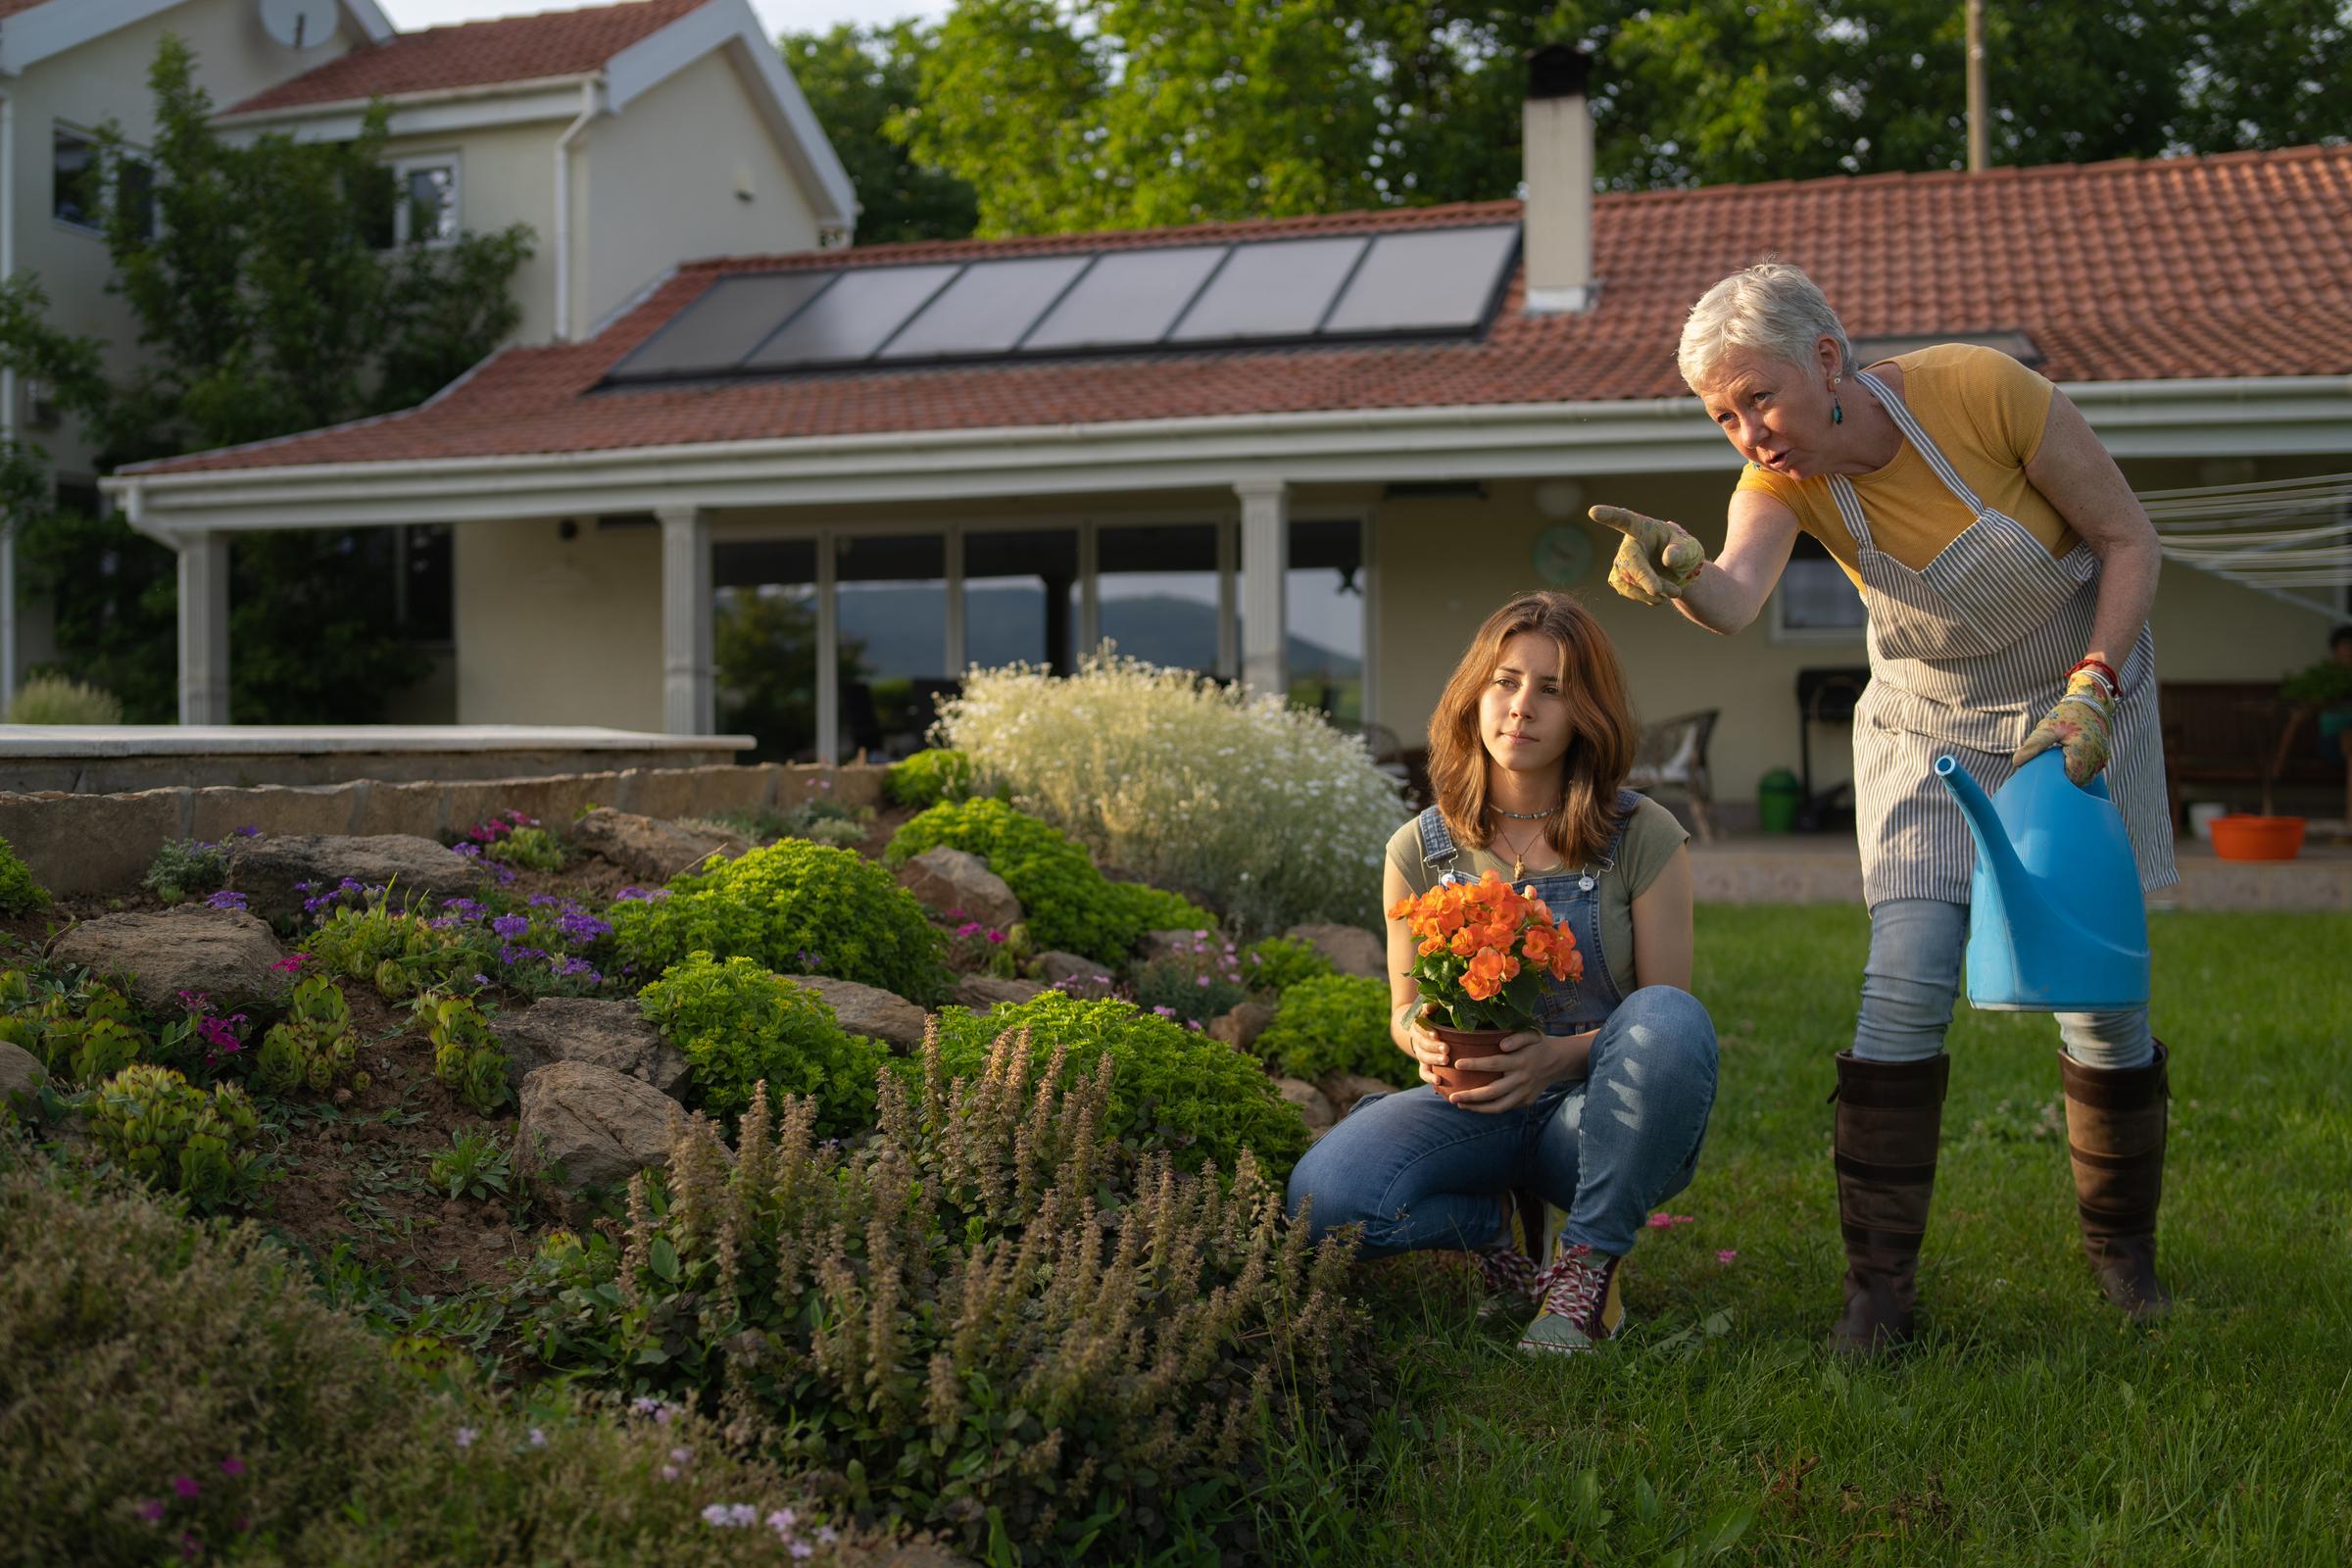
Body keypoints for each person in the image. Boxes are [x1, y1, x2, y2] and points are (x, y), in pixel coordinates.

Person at [1591, 261, 2178, 1352]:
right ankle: (1877, 1294)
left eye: (1757, 396)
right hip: (1927, 730)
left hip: (2075, 709)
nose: (1748, 432)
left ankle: (2122, 1254)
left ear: (1825, 359)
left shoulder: (1981, 391)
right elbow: (1735, 590)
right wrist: (1679, 573)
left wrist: (2094, 682)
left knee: (2095, 993)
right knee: (1904, 977)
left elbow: (2128, 540)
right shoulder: (1780, 485)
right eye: (1722, 415)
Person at [1285, 591, 1719, 1355]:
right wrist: (1421, 1038)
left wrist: (1557, 1056)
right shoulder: (1419, 851)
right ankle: (1494, 1229)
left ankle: (1582, 1269)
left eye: (1551, 690)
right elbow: (1405, 1006)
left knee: (1675, 1022)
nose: (1521, 707)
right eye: (1506, 681)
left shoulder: (1642, 836)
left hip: (1594, 1116)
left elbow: (1661, 1019)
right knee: (1322, 1201)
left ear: (1587, 710)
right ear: (1473, 694)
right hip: (1471, 1110)